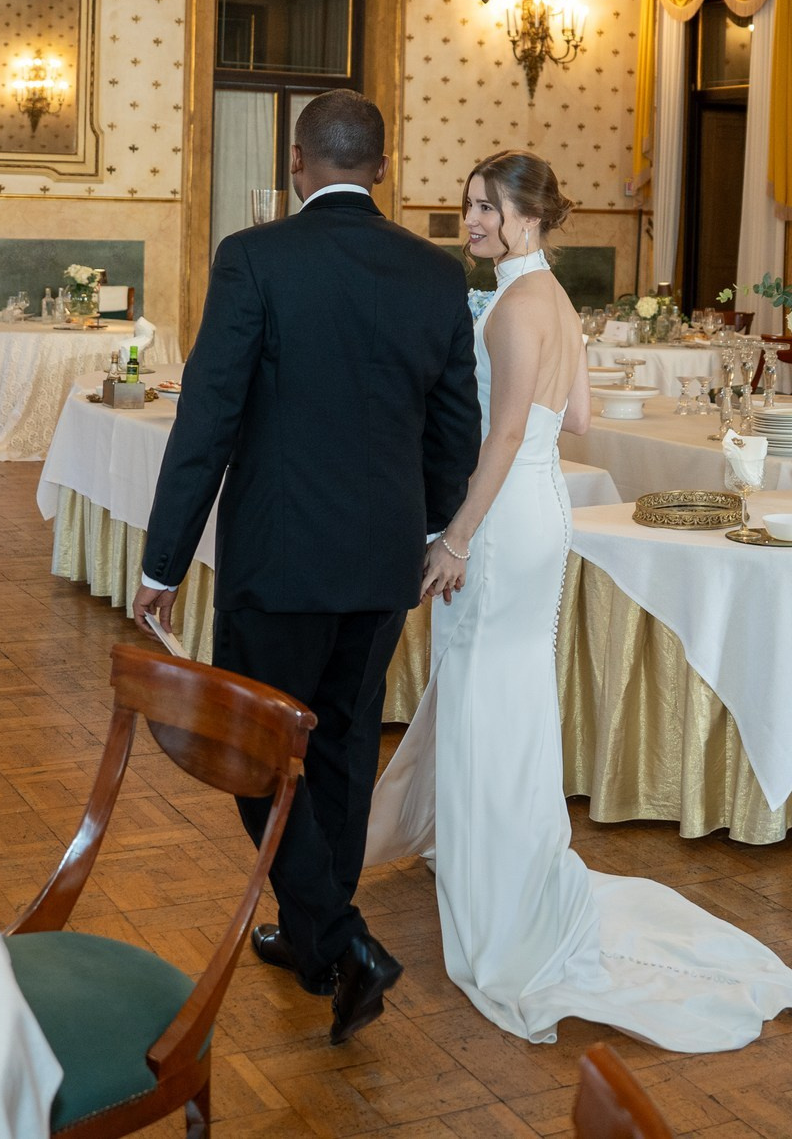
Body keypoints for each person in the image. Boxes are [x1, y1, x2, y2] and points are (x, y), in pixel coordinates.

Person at [365, 150, 792, 1050]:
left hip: (502, 520)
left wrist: (455, 536)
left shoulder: (512, 305)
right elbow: (576, 417)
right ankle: (497, 853)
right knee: (505, 687)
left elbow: (505, 431)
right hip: (545, 512)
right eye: (468, 207)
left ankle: (501, 884)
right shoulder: (555, 298)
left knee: (483, 689)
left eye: (482, 209)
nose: (467, 222)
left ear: (527, 219)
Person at [134, 90, 477, 1045]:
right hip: (383, 563)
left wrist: (164, 560)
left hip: (279, 560)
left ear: (298, 163)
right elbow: (456, 430)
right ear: (381, 166)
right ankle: (318, 936)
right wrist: (433, 532)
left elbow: (208, 421)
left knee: (256, 755)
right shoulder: (432, 273)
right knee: (338, 749)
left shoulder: (255, 257)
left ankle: (339, 937)